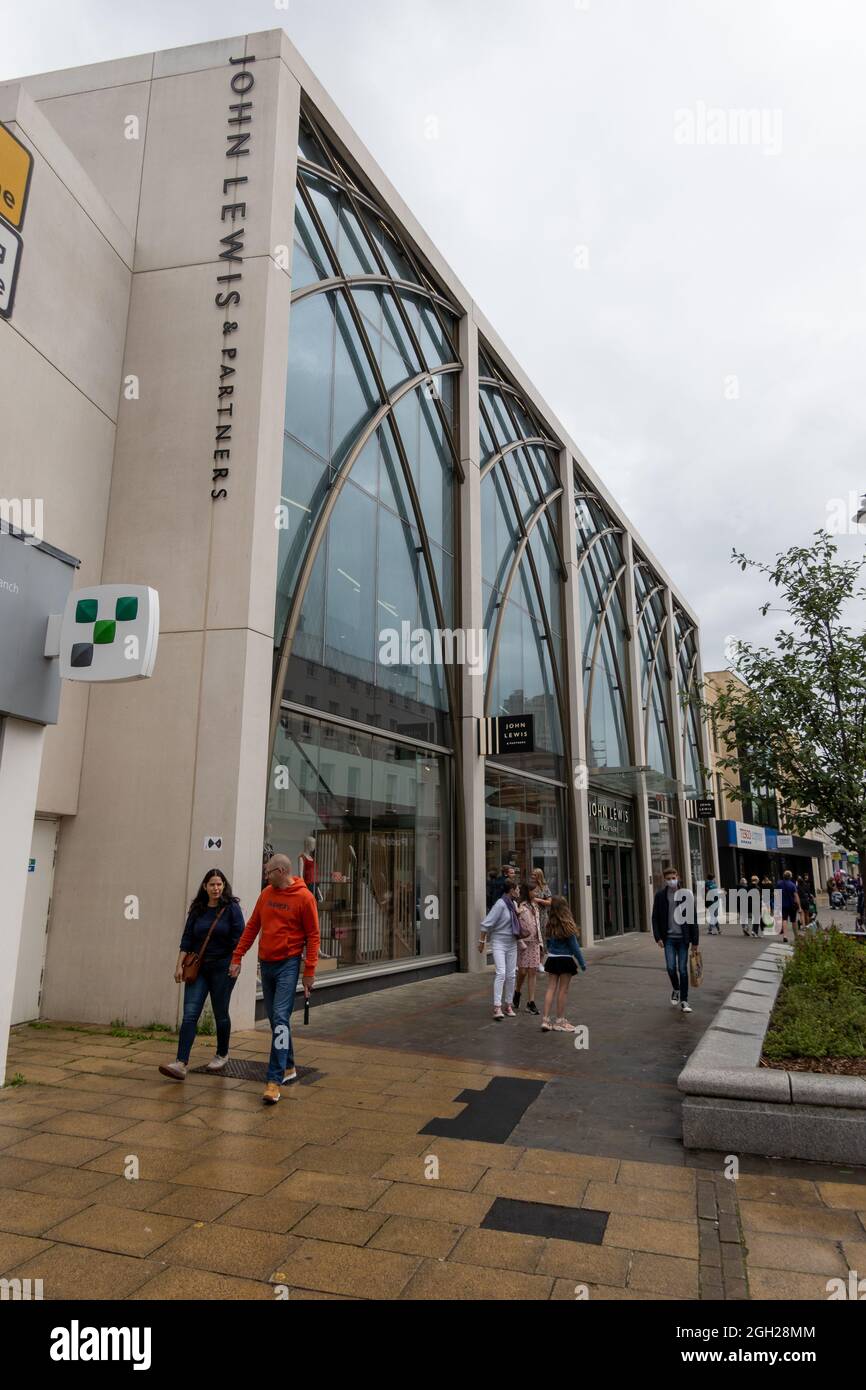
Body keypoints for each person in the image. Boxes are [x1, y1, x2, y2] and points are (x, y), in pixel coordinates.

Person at [229, 853, 319, 1104]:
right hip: (266, 965)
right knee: (276, 1020)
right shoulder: (266, 895)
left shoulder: (304, 898)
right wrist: (238, 956)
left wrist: (309, 971)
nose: (265, 875)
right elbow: (252, 926)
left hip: (288, 965)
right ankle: (289, 1067)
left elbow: (313, 936)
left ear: (280, 871)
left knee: (280, 1018)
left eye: (268, 871)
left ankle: (273, 1080)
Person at [159, 869, 245, 1081]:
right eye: (212, 884)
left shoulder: (231, 908)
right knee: (190, 1014)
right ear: (205, 886)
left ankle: (222, 1053)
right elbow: (186, 939)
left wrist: (236, 962)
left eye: (219, 884)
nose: (216, 888)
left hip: (223, 968)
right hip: (198, 968)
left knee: (220, 1013)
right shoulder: (197, 909)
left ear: (224, 886)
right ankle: (180, 1063)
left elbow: (240, 938)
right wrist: (179, 965)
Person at [651, 866, 698, 1015]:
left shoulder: (686, 895)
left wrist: (695, 941)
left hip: (683, 939)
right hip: (669, 939)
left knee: (683, 970)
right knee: (671, 968)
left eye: (673, 877)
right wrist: (658, 937)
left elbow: (693, 919)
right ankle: (676, 989)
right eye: (668, 878)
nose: (671, 881)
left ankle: (684, 1000)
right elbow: (655, 918)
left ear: (678, 877)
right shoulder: (660, 896)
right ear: (665, 880)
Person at [540, 897, 586, 1033]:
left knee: (550, 989)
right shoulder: (567, 925)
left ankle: (545, 1020)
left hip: (552, 959)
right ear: (565, 908)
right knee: (563, 990)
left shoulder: (550, 924)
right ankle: (560, 1021)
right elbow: (575, 947)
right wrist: (582, 963)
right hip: (565, 959)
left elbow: (548, 942)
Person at [479, 880, 521, 1020]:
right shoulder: (500, 904)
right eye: (517, 888)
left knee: (511, 975)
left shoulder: (514, 904)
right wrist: (481, 942)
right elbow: (486, 923)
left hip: (512, 943)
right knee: (501, 973)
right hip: (499, 942)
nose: (519, 891)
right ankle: (497, 1007)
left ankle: (508, 1005)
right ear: (511, 890)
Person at [513, 882, 545, 1015]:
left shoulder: (536, 907)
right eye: (534, 891)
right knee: (523, 972)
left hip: (535, 943)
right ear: (528, 892)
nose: (536, 894)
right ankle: (517, 991)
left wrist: (541, 943)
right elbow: (516, 924)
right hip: (524, 944)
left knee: (533, 971)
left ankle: (530, 1002)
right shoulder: (521, 906)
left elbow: (538, 925)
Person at [775, 869, 800, 944]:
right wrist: (799, 907)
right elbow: (796, 896)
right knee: (793, 920)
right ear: (790, 877)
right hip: (792, 905)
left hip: (783, 905)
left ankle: (785, 936)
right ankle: (796, 936)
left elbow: (776, 894)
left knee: (784, 920)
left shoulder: (779, 884)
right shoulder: (792, 885)